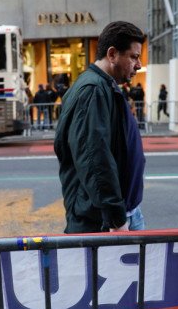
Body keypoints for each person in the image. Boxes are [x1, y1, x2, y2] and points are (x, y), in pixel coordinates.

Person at [54, 21, 146, 233]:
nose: (139, 65)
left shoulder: (103, 86)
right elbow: (95, 160)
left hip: (123, 213)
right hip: (105, 222)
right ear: (112, 54)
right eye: (133, 57)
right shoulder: (93, 90)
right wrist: (116, 219)